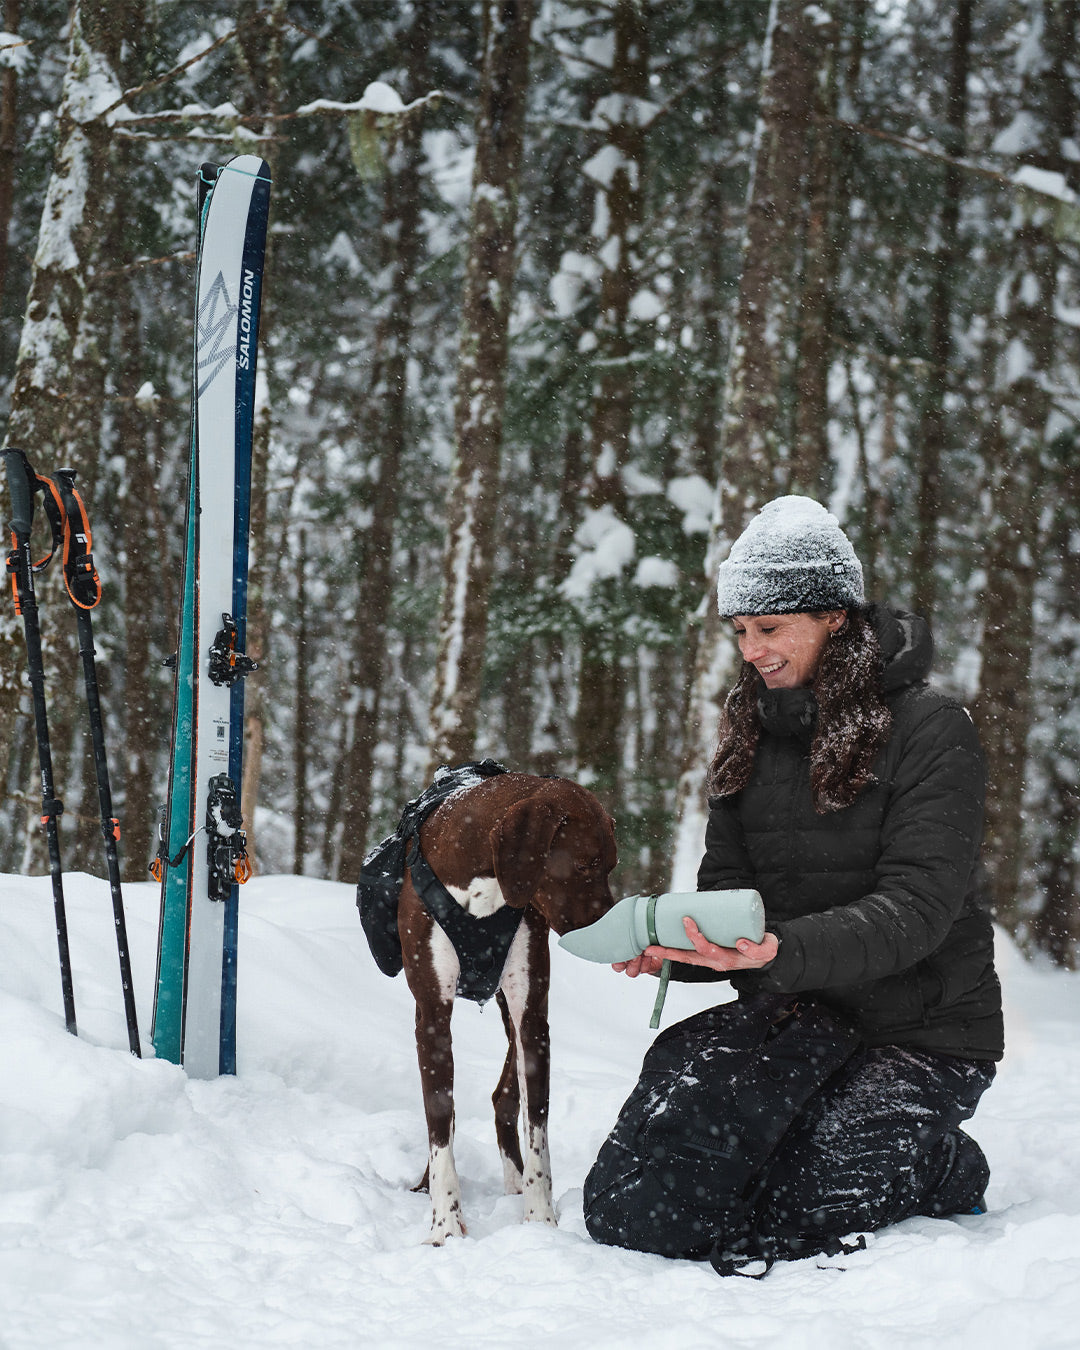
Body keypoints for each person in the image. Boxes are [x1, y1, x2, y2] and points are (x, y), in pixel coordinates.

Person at [583, 495, 1003, 1275]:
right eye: (741, 632)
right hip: (796, 1017)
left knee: (789, 1215)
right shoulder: (749, 730)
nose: (752, 652)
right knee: (680, 1199)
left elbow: (917, 910)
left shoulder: (934, 730)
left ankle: (940, 1160)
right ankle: (839, 1125)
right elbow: (729, 891)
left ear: (836, 617)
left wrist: (776, 950)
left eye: (769, 629)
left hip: (921, 1032)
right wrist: (680, 949)